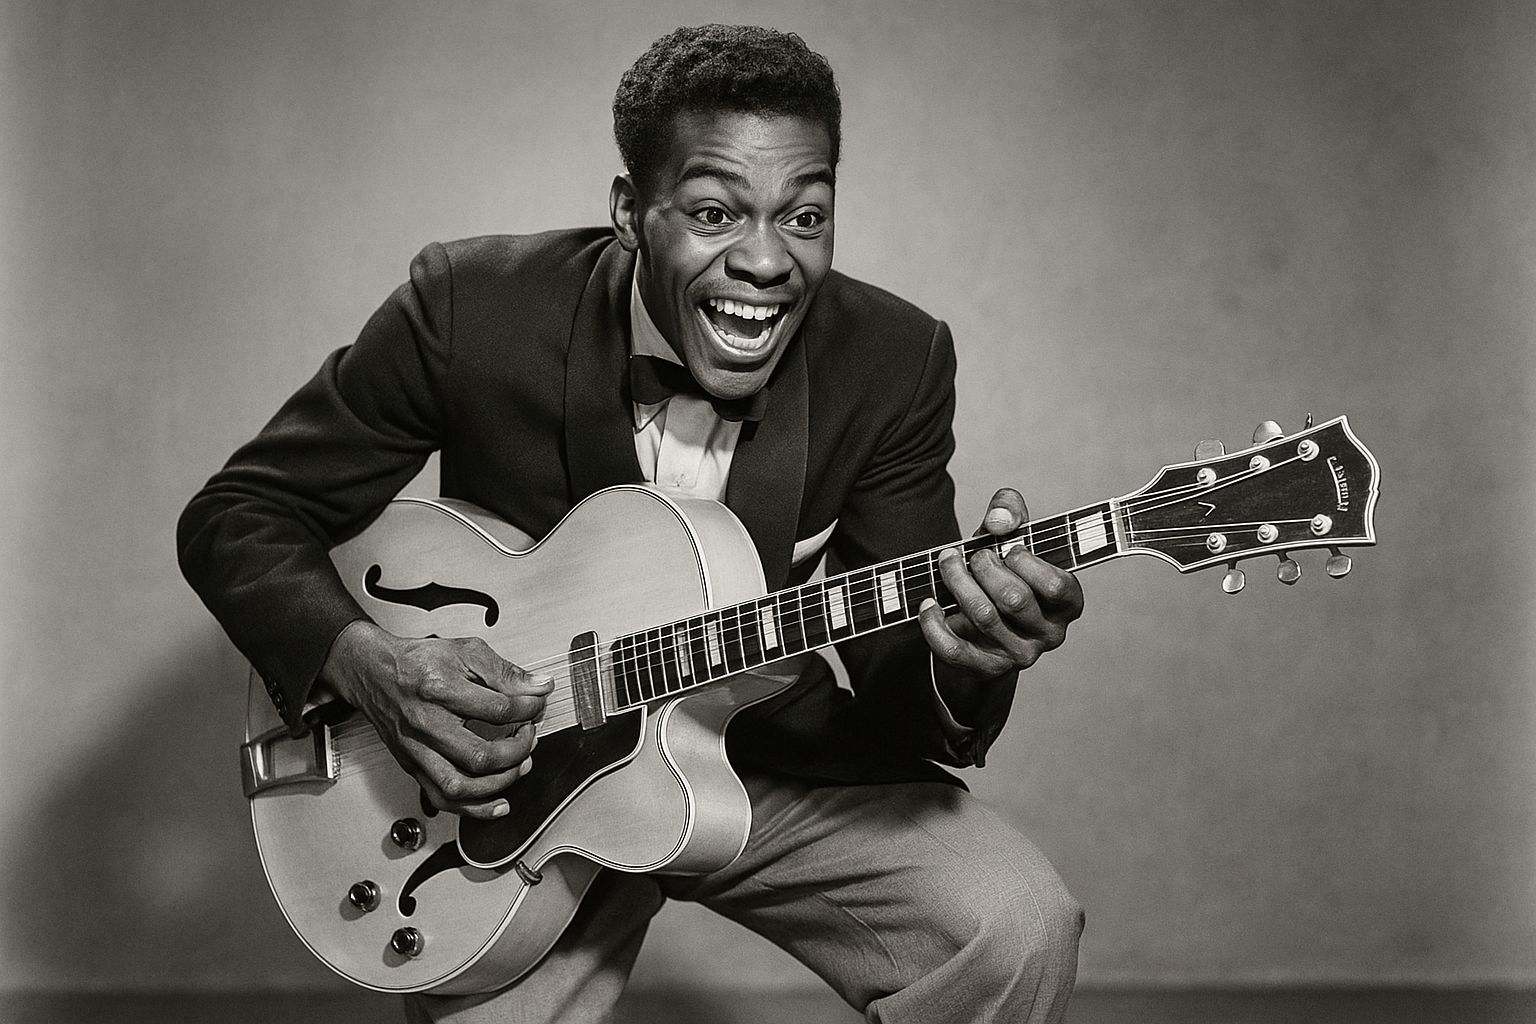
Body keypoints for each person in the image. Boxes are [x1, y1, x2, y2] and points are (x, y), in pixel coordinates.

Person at [179, 24, 1085, 1024]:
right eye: (712, 210)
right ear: (630, 212)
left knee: (1017, 922)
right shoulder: (470, 310)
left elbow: (899, 690)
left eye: (807, 214)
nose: (766, 258)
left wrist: (973, 654)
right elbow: (240, 515)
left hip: (762, 761)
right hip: (516, 791)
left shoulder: (896, 360)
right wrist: (369, 668)